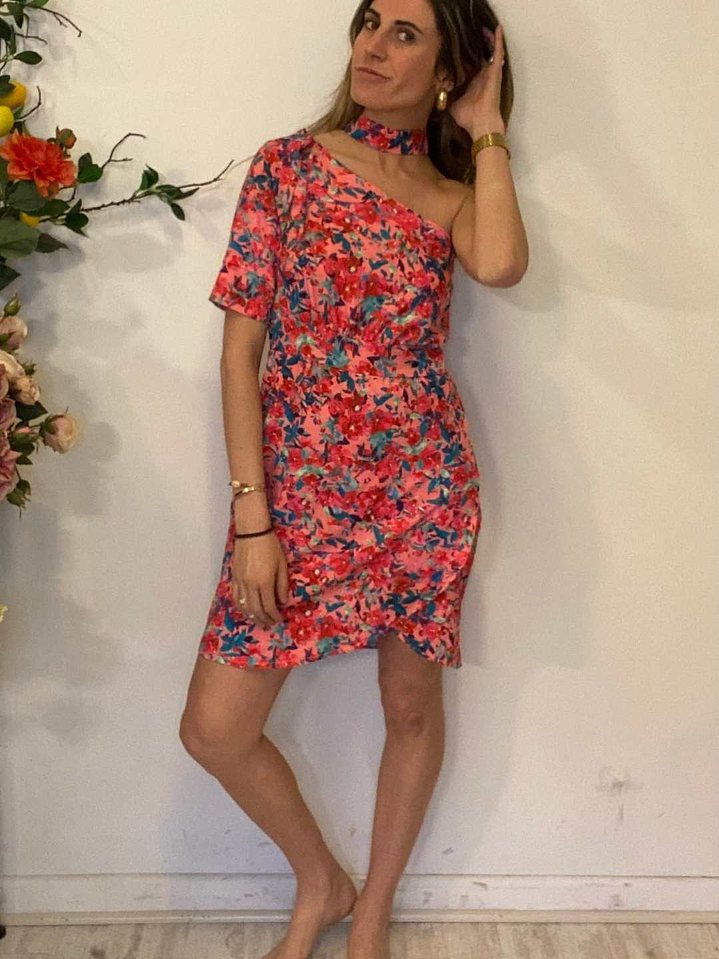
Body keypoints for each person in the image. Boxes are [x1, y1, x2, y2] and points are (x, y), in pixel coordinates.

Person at [180, 0, 528, 956]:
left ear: (448, 68)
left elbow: (502, 263)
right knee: (214, 728)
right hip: (294, 500)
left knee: (409, 705)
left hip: (422, 490)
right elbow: (239, 354)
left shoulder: (451, 196)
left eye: (405, 33)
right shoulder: (288, 166)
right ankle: (322, 881)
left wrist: (485, 125)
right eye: (369, 21)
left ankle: (370, 916)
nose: (372, 44)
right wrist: (254, 519)